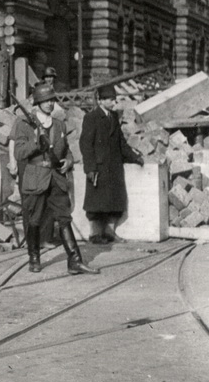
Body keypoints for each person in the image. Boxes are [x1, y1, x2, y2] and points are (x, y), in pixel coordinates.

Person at [13, 83, 99, 274]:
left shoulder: (59, 124)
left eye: (52, 99)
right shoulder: (24, 124)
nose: (50, 104)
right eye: (45, 100)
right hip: (35, 178)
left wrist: (68, 162)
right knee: (34, 220)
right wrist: (37, 142)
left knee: (64, 219)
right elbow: (19, 153)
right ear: (37, 102)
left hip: (56, 178)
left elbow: (66, 150)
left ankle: (74, 261)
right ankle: (34, 258)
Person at [79, 85, 144, 244]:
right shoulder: (91, 117)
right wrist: (90, 168)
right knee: (96, 204)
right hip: (99, 168)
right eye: (110, 99)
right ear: (100, 100)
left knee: (115, 201)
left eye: (114, 98)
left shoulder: (113, 117)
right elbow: (85, 145)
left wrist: (134, 157)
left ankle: (109, 233)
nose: (114, 101)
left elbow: (121, 143)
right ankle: (95, 235)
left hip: (114, 167)